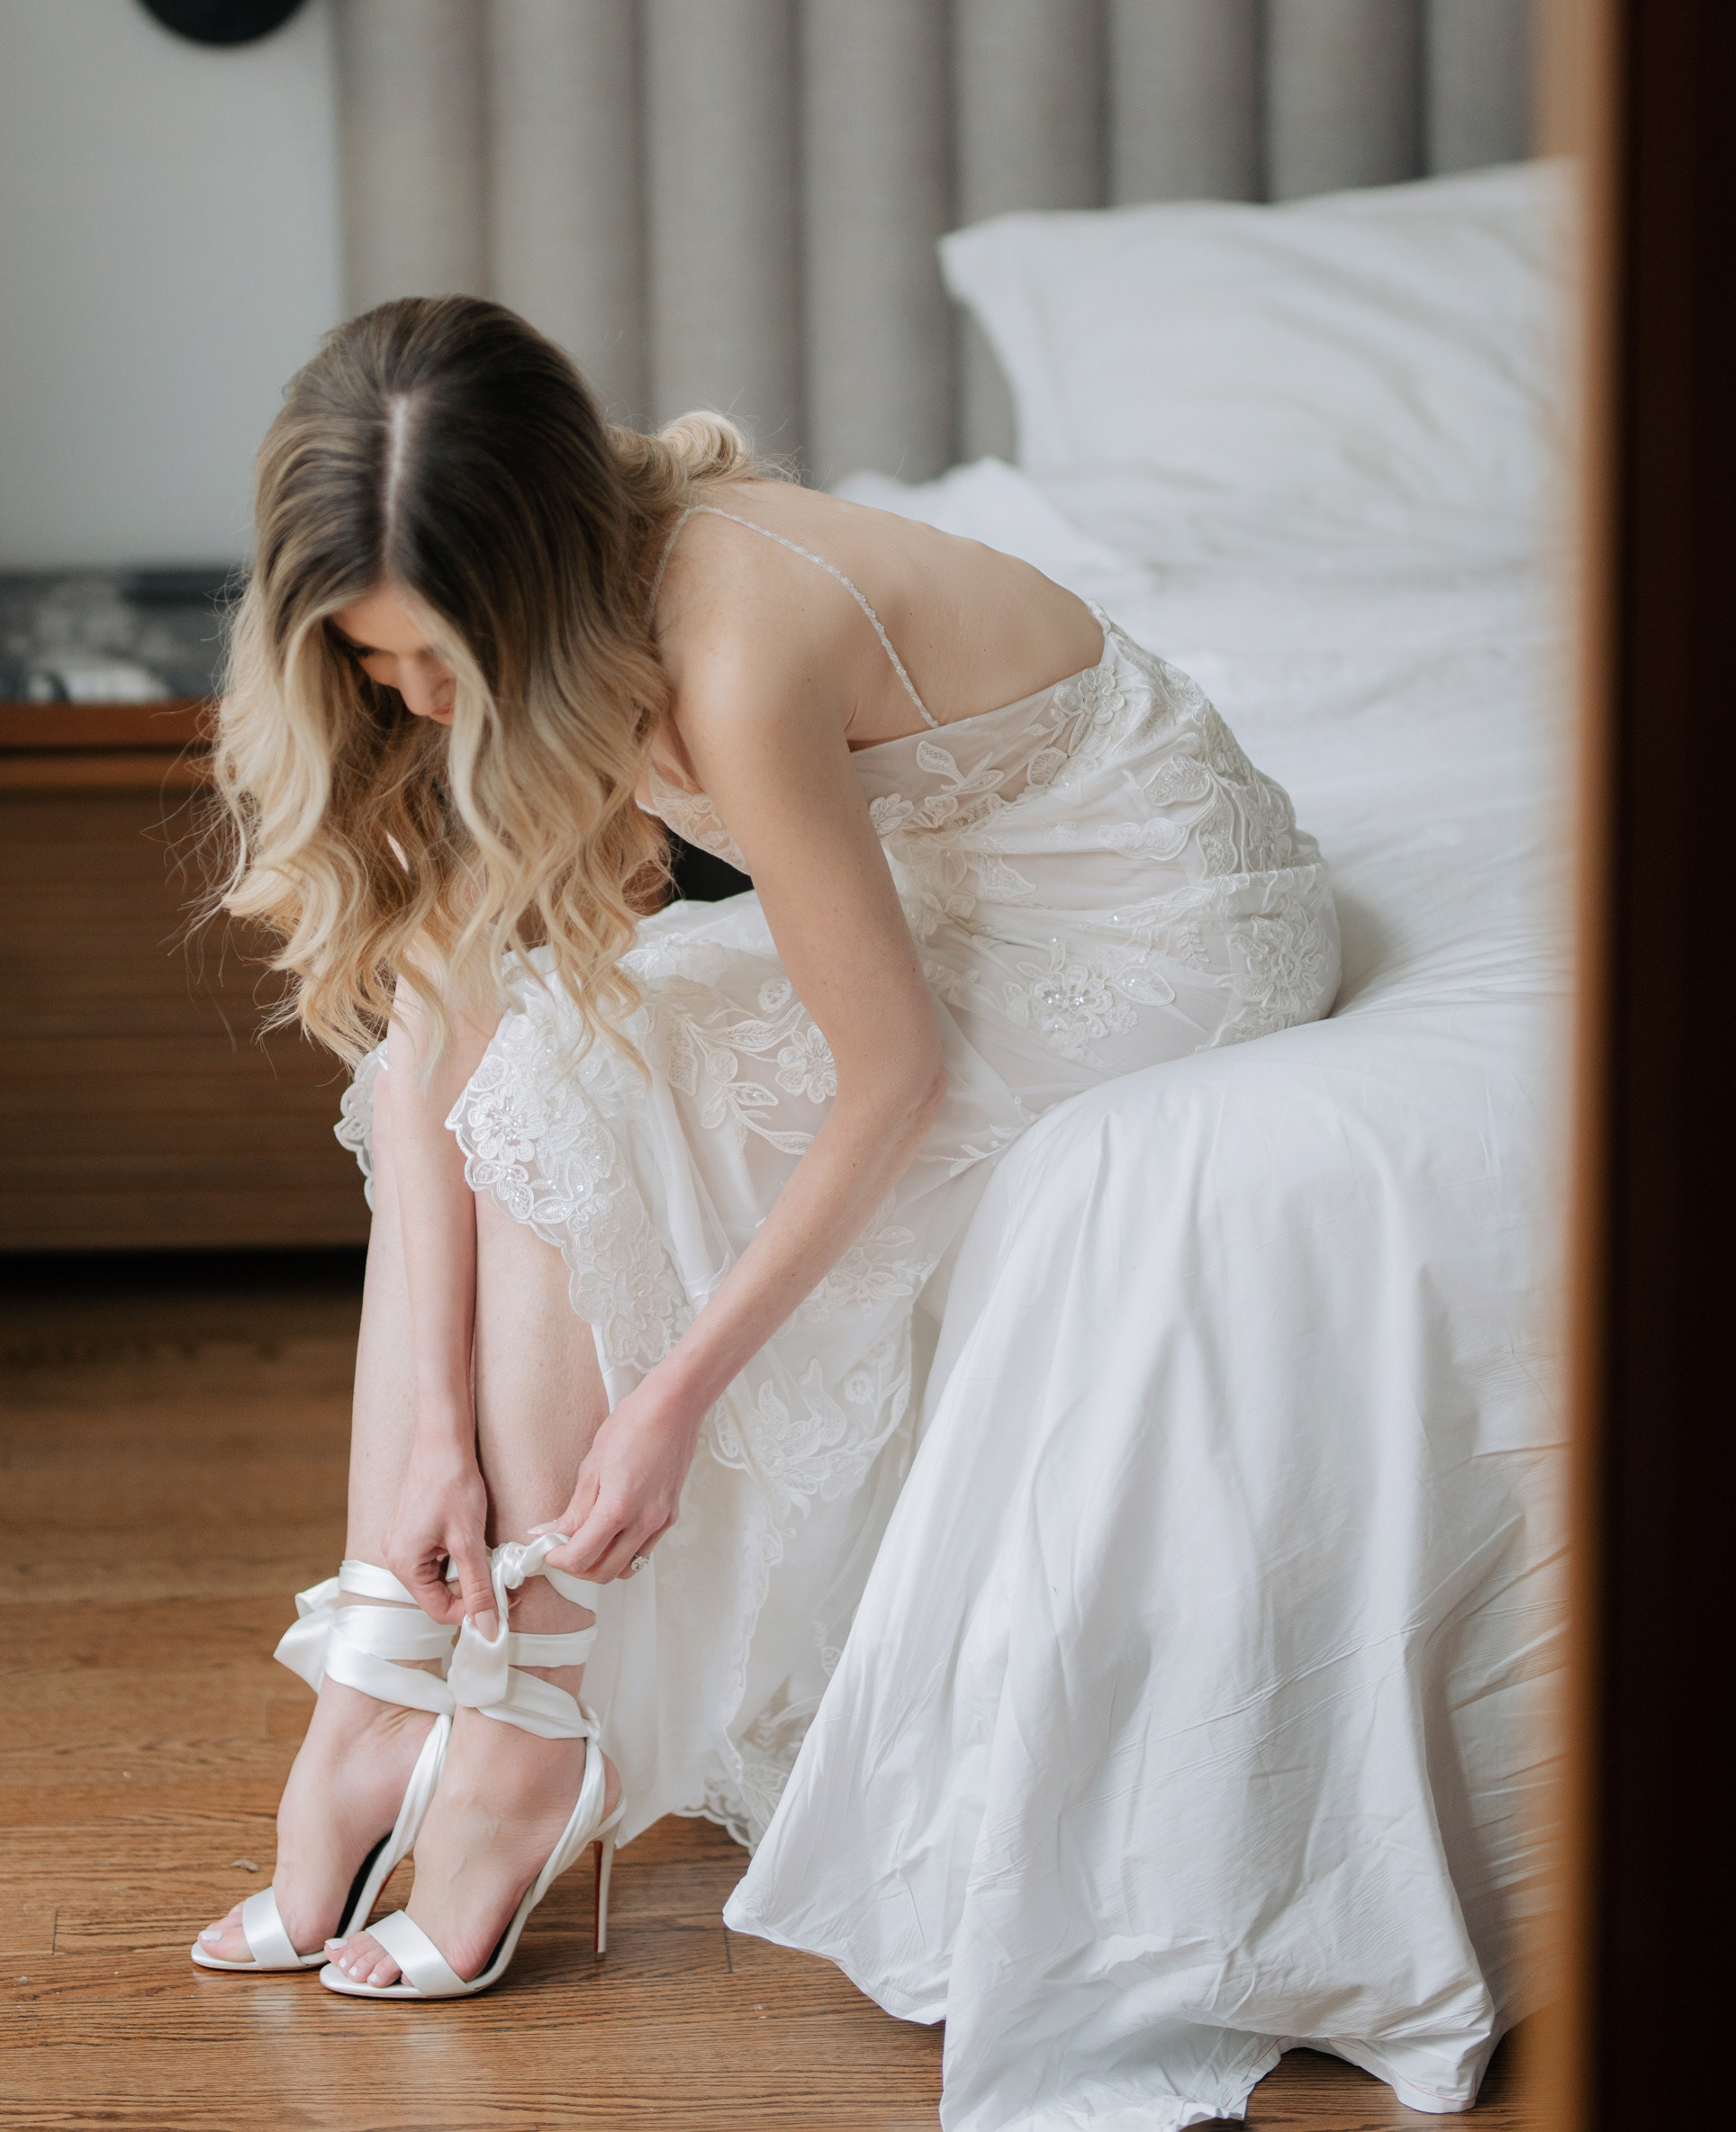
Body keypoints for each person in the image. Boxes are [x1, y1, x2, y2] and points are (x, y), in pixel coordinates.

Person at [190, 295, 1339, 2000]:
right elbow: (440, 1030)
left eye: (444, 660)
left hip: (1149, 924)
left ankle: (516, 1748)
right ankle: (372, 1705)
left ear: (544, 593)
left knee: (590, 1092)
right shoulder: (517, 651)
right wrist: (433, 1435)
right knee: (523, 1083)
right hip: (942, 913)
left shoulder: (736, 649)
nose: (418, 702)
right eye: (373, 663)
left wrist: (672, 1404)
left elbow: (893, 1076)